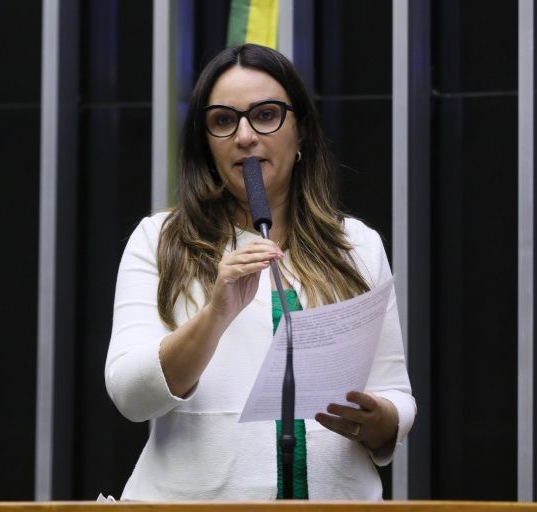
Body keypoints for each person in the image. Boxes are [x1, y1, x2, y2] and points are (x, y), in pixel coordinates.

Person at [105, 43, 415, 500]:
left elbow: (396, 395)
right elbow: (131, 395)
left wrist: (380, 420)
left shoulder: (356, 244)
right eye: (224, 120)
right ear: (205, 143)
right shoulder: (160, 240)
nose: (245, 136)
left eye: (265, 115)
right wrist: (215, 313)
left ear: (302, 130)